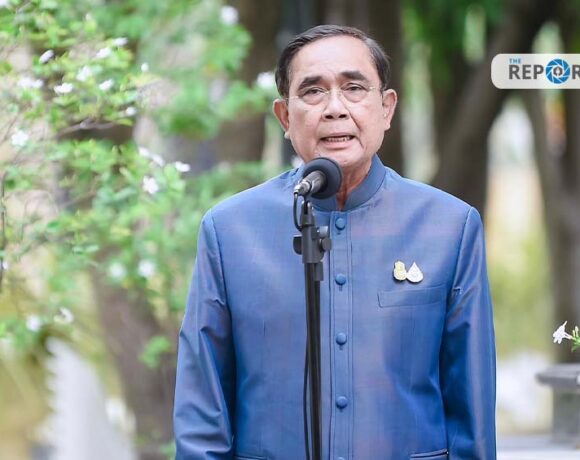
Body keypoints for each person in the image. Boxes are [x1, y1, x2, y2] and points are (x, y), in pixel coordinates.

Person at [174, 24, 496, 460]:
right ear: (285, 117)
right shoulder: (230, 231)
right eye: (312, 91)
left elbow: (471, 417)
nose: (335, 108)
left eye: (354, 88)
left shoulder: (449, 226)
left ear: (386, 108)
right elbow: (202, 415)